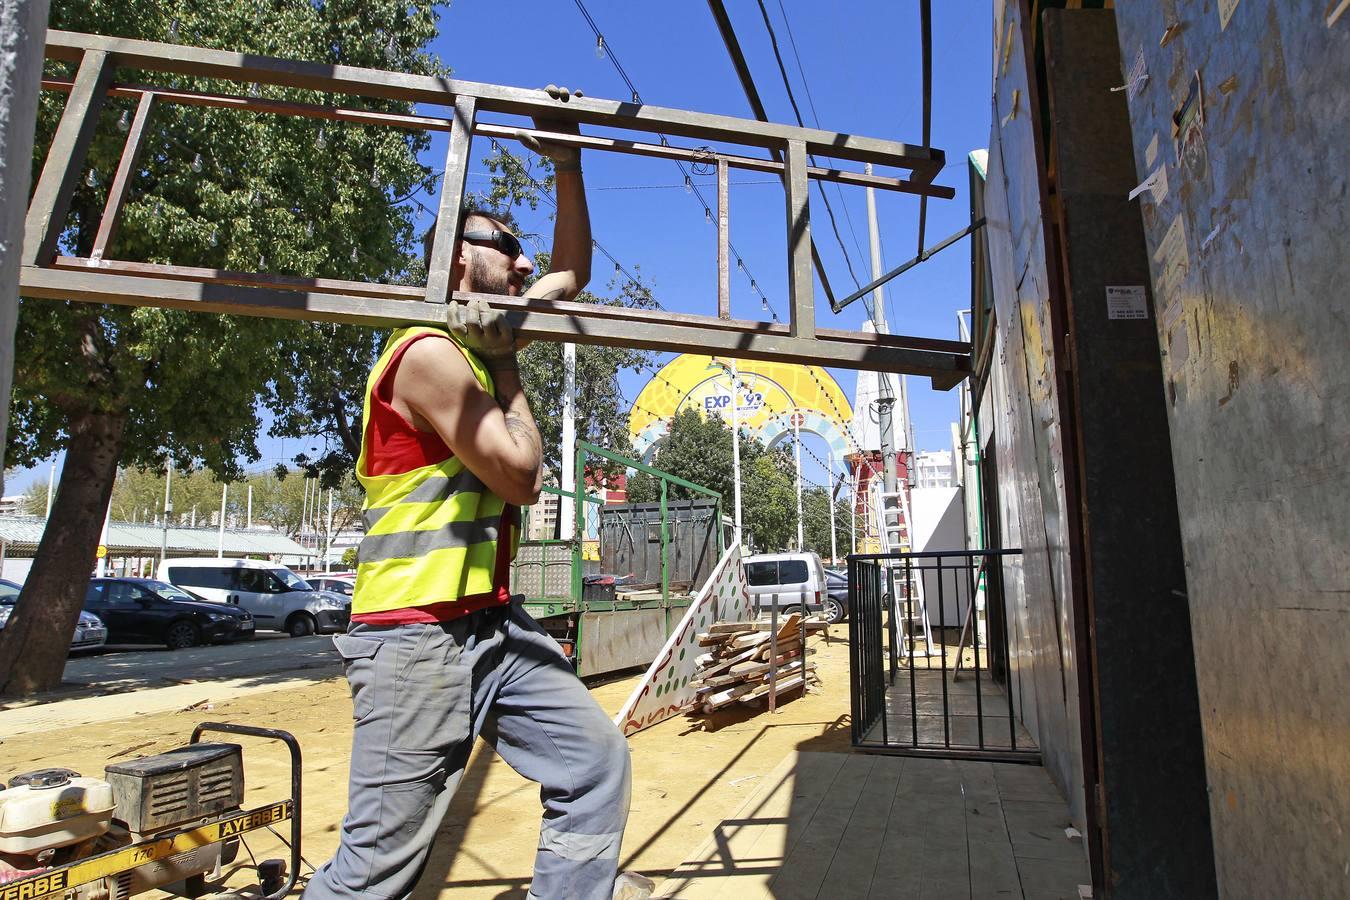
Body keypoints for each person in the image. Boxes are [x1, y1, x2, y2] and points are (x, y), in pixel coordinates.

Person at [305, 116, 633, 900]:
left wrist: (568, 165)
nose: (524, 263)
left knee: (593, 763)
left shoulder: (484, 340)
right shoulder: (426, 355)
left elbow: (572, 274)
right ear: (458, 260)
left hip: (489, 624)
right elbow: (522, 475)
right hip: (414, 638)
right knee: (374, 871)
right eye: (504, 247)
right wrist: (509, 361)